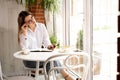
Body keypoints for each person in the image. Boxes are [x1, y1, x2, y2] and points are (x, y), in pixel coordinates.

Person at [17, 11, 81, 80]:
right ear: (25, 24)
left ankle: (53, 78)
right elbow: (25, 50)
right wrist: (25, 34)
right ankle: (69, 78)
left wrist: (49, 46)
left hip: (41, 58)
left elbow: (46, 41)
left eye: (32, 17)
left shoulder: (41, 26)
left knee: (50, 62)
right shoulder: (23, 33)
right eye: (29, 21)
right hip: (30, 61)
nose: (33, 20)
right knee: (51, 60)